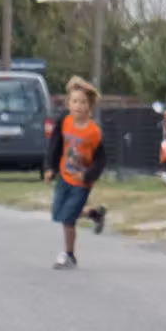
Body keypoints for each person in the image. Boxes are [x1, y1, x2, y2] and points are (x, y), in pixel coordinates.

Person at [44, 77, 109, 269]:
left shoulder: (93, 132)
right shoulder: (64, 122)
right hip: (65, 177)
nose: (78, 106)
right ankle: (93, 214)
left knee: (67, 219)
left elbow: (101, 160)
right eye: (75, 101)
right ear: (68, 104)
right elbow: (54, 146)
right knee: (58, 212)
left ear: (90, 106)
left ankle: (69, 255)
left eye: (83, 102)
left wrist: (88, 175)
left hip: (82, 184)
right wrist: (49, 168)